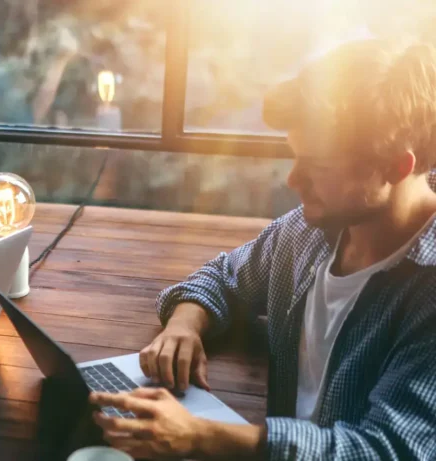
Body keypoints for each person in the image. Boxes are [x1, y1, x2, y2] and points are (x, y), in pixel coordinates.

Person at [89, 40, 436, 460]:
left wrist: (201, 436)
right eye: (295, 157)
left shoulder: (426, 295)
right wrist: (184, 324)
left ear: (397, 167)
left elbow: (385, 451)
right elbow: (224, 275)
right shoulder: (309, 232)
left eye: (318, 167)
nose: (293, 180)